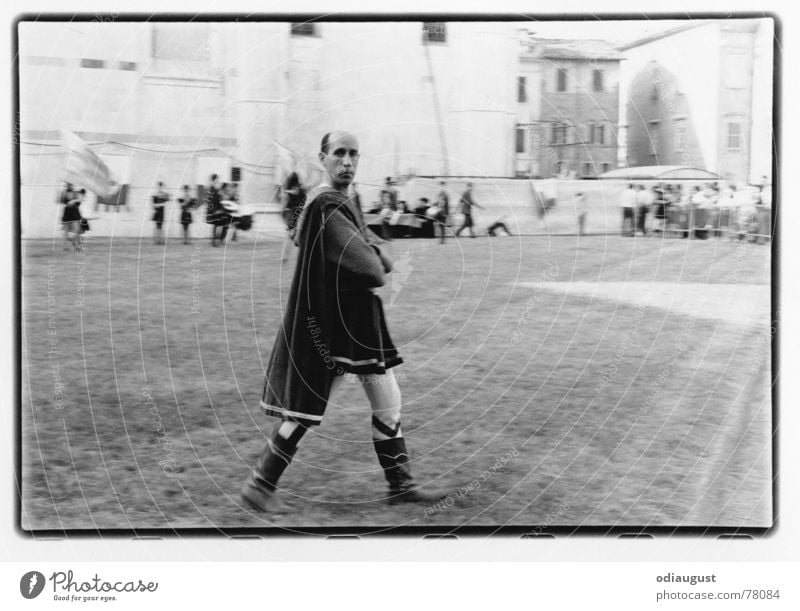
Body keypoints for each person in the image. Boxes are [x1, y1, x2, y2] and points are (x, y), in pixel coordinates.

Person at [241, 130, 447, 512]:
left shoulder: (343, 203)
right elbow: (374, 269)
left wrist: (373, 249)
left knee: (388, 403)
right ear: (323, 157)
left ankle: (400, 486)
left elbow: (377, 254)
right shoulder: (327, 206)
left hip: (360, 327)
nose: (348, 161)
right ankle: (259, 484)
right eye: (339, 153)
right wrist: (375, 251)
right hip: (340, 329)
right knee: (309, 408)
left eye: (354, 154)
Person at [282, 171, 306, 239]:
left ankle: (292, 231)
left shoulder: (296, 187)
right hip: (295, 207)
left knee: (293, 219)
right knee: (293, 219)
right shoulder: (298, 187)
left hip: (295, 207)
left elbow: (297, 194)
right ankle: (292, 230)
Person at [59, 183, 81, 250]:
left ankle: (75, 244)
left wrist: (74, 201)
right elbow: (61, 201)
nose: (70, 186)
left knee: (77, 229)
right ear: (67, 185)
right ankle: (65, 247)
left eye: (71, 184)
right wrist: (62, 195)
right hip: (67, 212)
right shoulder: (64, 192)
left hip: (75, 212)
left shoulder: (76, 193)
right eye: (69, 185)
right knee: (66, 230)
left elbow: (79, 202)